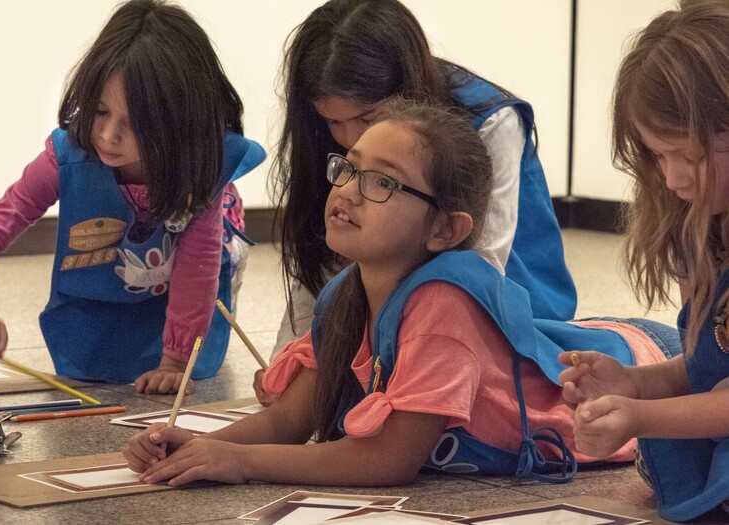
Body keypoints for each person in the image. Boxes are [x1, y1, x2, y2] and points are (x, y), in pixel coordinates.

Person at [124, 102, 677, 487]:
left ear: (444, 230)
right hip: (590, 342)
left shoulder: (443, 304)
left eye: (382, 182)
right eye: (349, 169)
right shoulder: (344, 293)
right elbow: (293, 420)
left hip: (642, 362)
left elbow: (390, 458)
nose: (348, 191)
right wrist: (195, 446)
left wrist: (242, 464)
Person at [257, 0, 576, 403]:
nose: (352, 139)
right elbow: (321, 254)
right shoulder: (336, 141)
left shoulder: (493, 122)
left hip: (507, 319)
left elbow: (477, 270)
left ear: (406, 90)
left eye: (367, 118)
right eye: (333, 122)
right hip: (393, 323)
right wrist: (287, 363)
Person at [0, 0, 265, 391]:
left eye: (135, 124)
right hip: (107, 294)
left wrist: (175, 361)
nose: (108, 136)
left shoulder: (201, 168)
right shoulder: (66, 158)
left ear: (181, 124)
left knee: (213, 255)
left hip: (188, 287)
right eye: (98, 111)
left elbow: (197, 269)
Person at [558, 2, 729, 521]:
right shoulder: (699, 227)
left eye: (692, 157)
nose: (673, 178)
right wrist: (634, 385)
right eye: (658, 155)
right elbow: (707, 370)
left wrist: (642, 415)